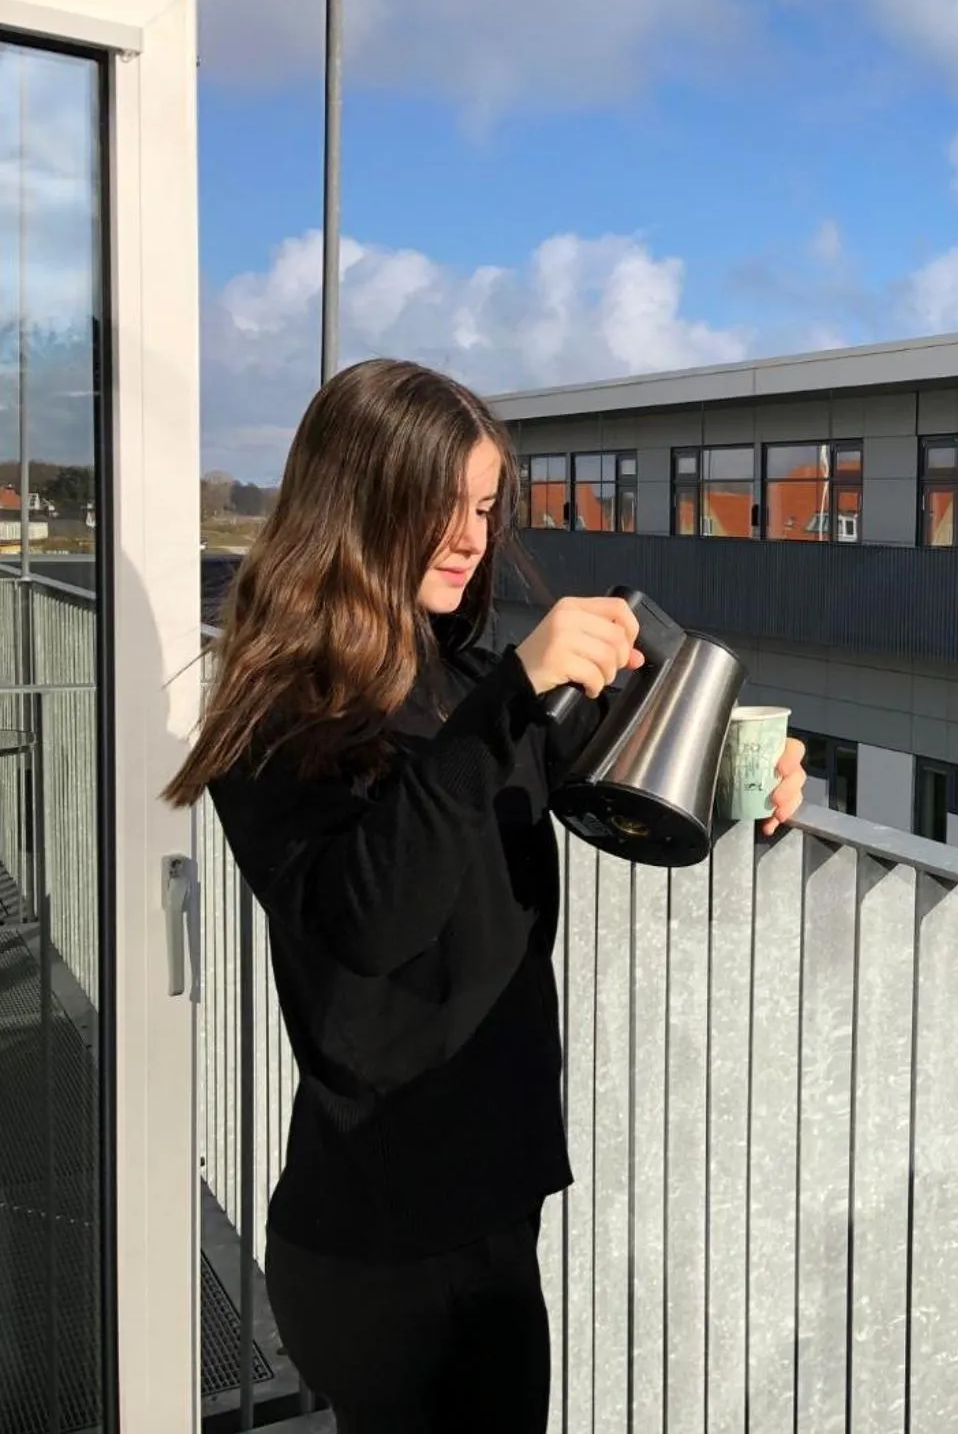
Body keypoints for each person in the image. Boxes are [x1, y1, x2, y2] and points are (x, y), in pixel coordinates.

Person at [163, 359, 805, 1432]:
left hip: (489, 1207)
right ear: (359, 502)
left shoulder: (457, 683)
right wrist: (512, 695)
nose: (470, 536)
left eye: (483, 506)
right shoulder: (284, 703)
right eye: (439, 506)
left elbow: (617, 802)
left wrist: (744, 783)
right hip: (378, 1246)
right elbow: (368, 917)